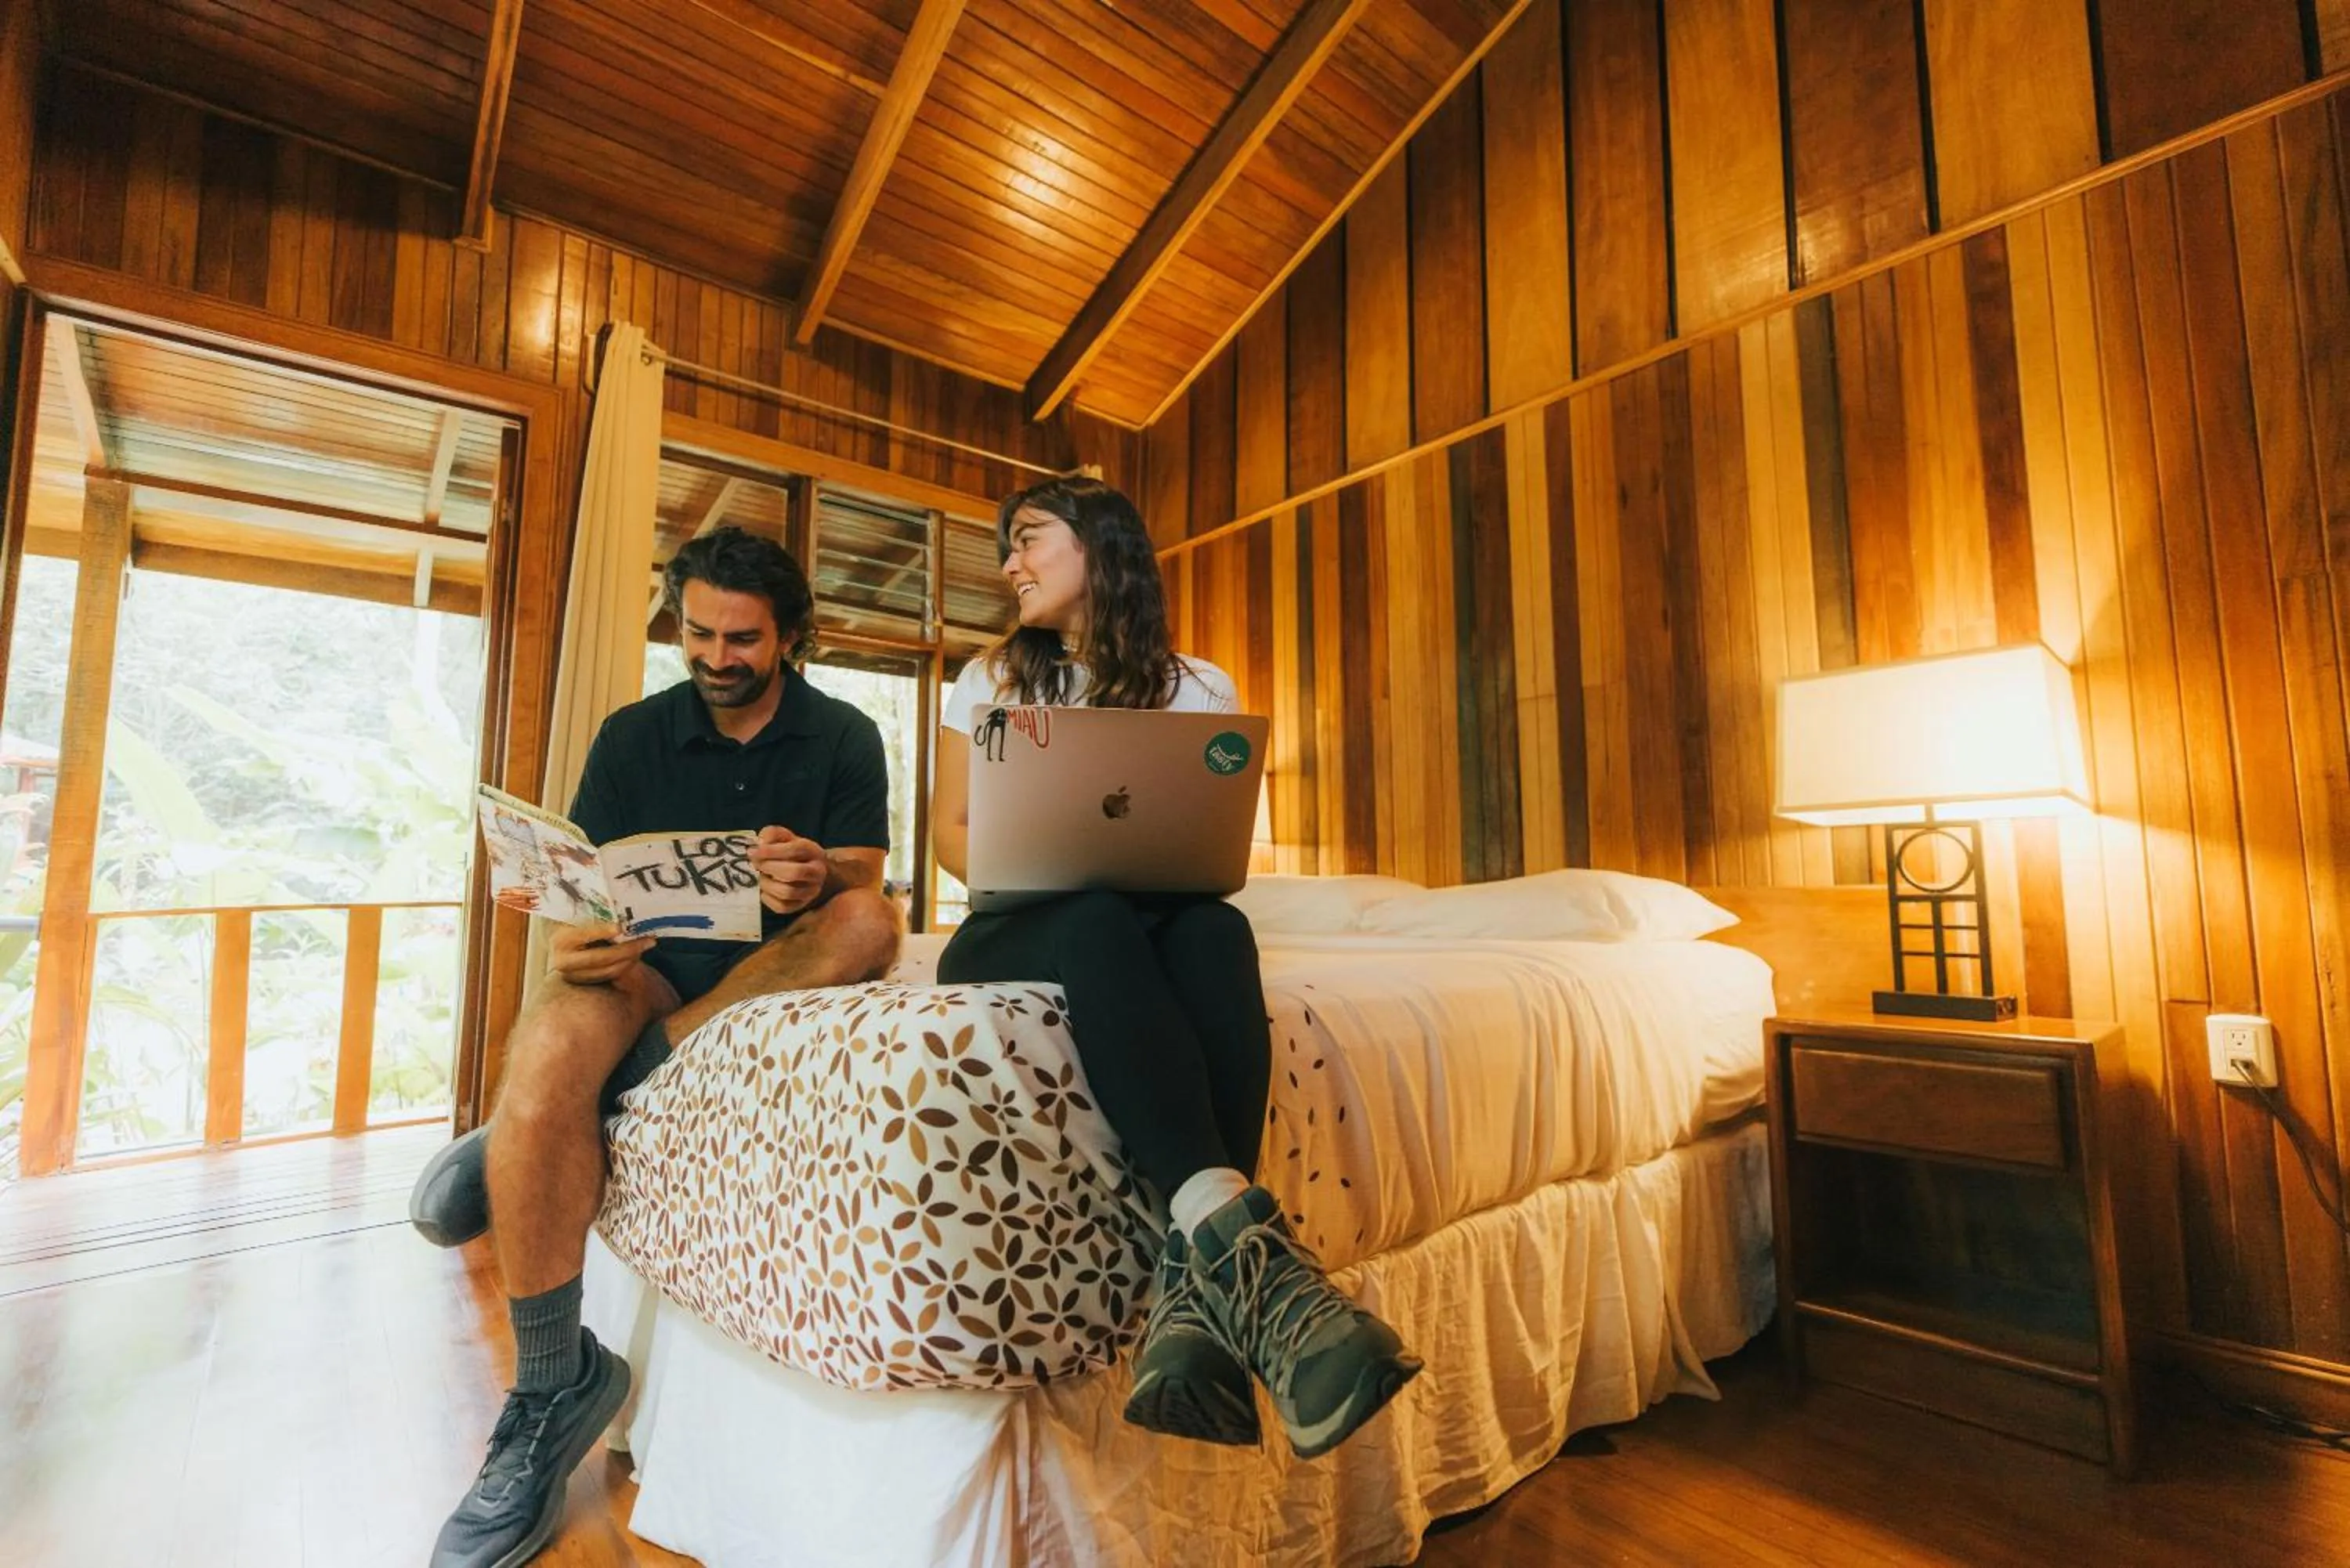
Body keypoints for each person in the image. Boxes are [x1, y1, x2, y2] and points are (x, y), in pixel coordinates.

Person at [416, 526, 902, 1568]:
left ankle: (532, 1128)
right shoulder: (632, 735)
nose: (719, 656)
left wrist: (814, 876)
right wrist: (573, 939)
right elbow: (578, 891)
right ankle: (552, 1384)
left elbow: (862, 880)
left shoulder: (845, 735)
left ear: (791, 639)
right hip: (649, 968)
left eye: (744, 638)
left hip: (777, 963)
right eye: (700, 632)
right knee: (555, 1029)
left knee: (871, 924)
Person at [931, 475, 1419, 1460]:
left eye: (1027, 540)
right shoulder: (988, 678)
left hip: (1152, 920)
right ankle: (1255, 1266)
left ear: (1100, 544)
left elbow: (1207, 838)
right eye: (1007, 548)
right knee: (1099, 914)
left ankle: (1192, 1307)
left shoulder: (1200, 687)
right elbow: (951, 834)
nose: (1010, 564)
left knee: (1217, 932)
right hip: (1013, 928)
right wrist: (1042, 859)